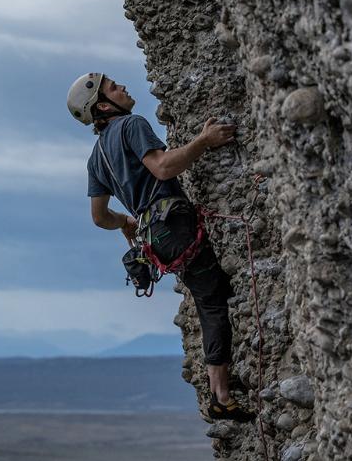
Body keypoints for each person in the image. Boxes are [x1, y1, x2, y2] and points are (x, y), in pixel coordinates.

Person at [67, 72, 255, 422]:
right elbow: (164, 167)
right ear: (104, 106)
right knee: (213, 300)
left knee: (208, 297)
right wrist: (204, 141)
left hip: (156, 237)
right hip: (173, 224)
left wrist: (124, 221)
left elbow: (98, 217)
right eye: (112, 87)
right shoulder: (131, 125)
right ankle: (222, 395)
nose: (122, 86)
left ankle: (221, 390)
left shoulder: (96, 159)